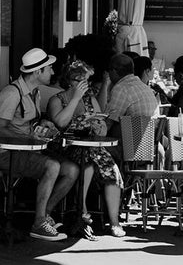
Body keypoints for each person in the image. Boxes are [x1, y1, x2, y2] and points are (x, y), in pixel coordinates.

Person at [0, 47, 79, 242]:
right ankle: (39, 224)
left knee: (71, 170)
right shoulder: (11, 93)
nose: (53, 72)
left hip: (31, 152)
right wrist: (31, 139)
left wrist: (42, 125)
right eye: (49, 68)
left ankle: (45, 214)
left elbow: (24, 124)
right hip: (9, 155)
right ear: (37, 72)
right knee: (52, 165)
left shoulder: (35, 93)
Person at [48, 60, 125, 238]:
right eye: (79, 80)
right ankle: (81, 213)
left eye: (86, 81)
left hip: (92, 147)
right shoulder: (58, 100)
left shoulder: (90, 100)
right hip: (66, 148)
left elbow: (102, 128)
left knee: (111, 170)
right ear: (69, 81)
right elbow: (60, 123)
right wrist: (75, 99)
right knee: (88, 163)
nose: (84, 85)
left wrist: (100, 126)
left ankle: (114, 222)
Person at [104, 54, 159, 136]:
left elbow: (107, 124)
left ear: (114, 71)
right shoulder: (144, 87)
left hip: (127, 145)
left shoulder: (121, 88)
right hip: (147, 144)